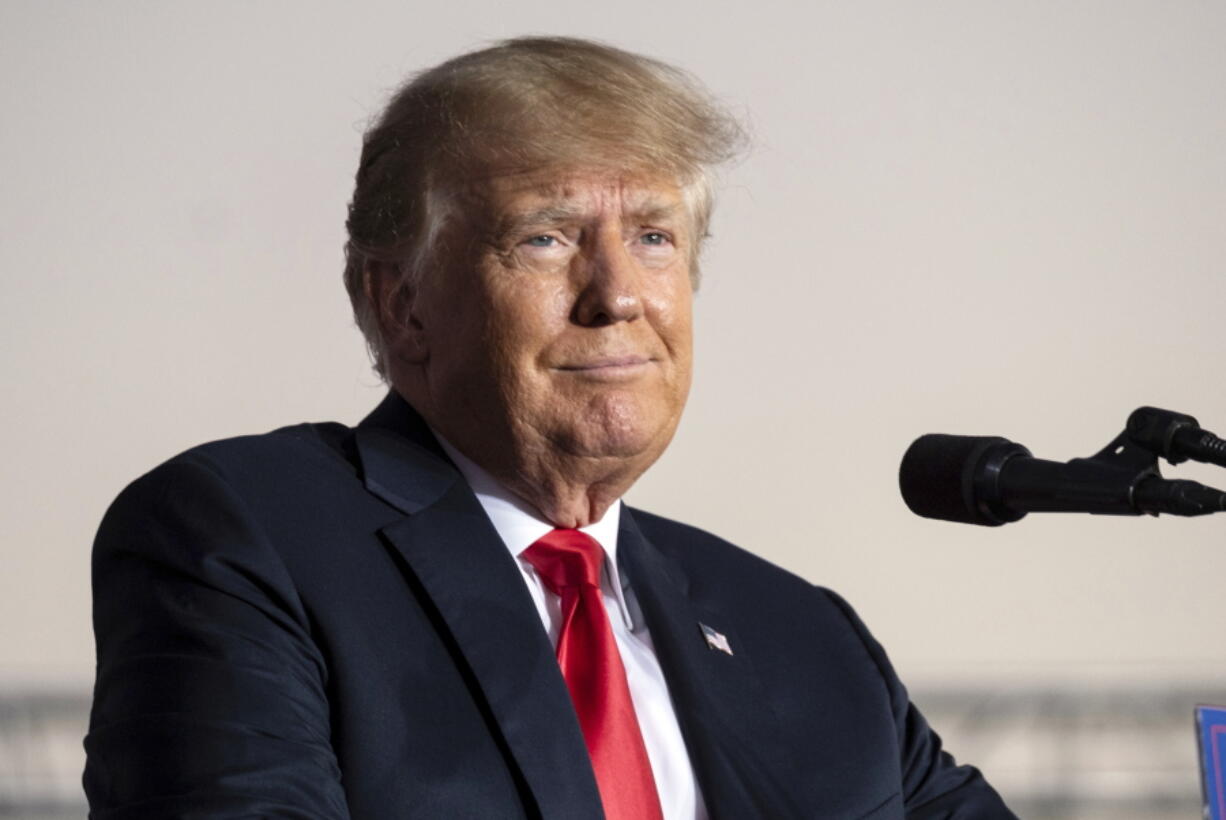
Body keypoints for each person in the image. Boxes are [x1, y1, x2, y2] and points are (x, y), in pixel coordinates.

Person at [84, 36, 1016, 819]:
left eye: (655, 237)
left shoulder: (802, 635)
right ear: (402, 303)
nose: (617, 295)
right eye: (547, 237)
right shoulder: (246, 539)